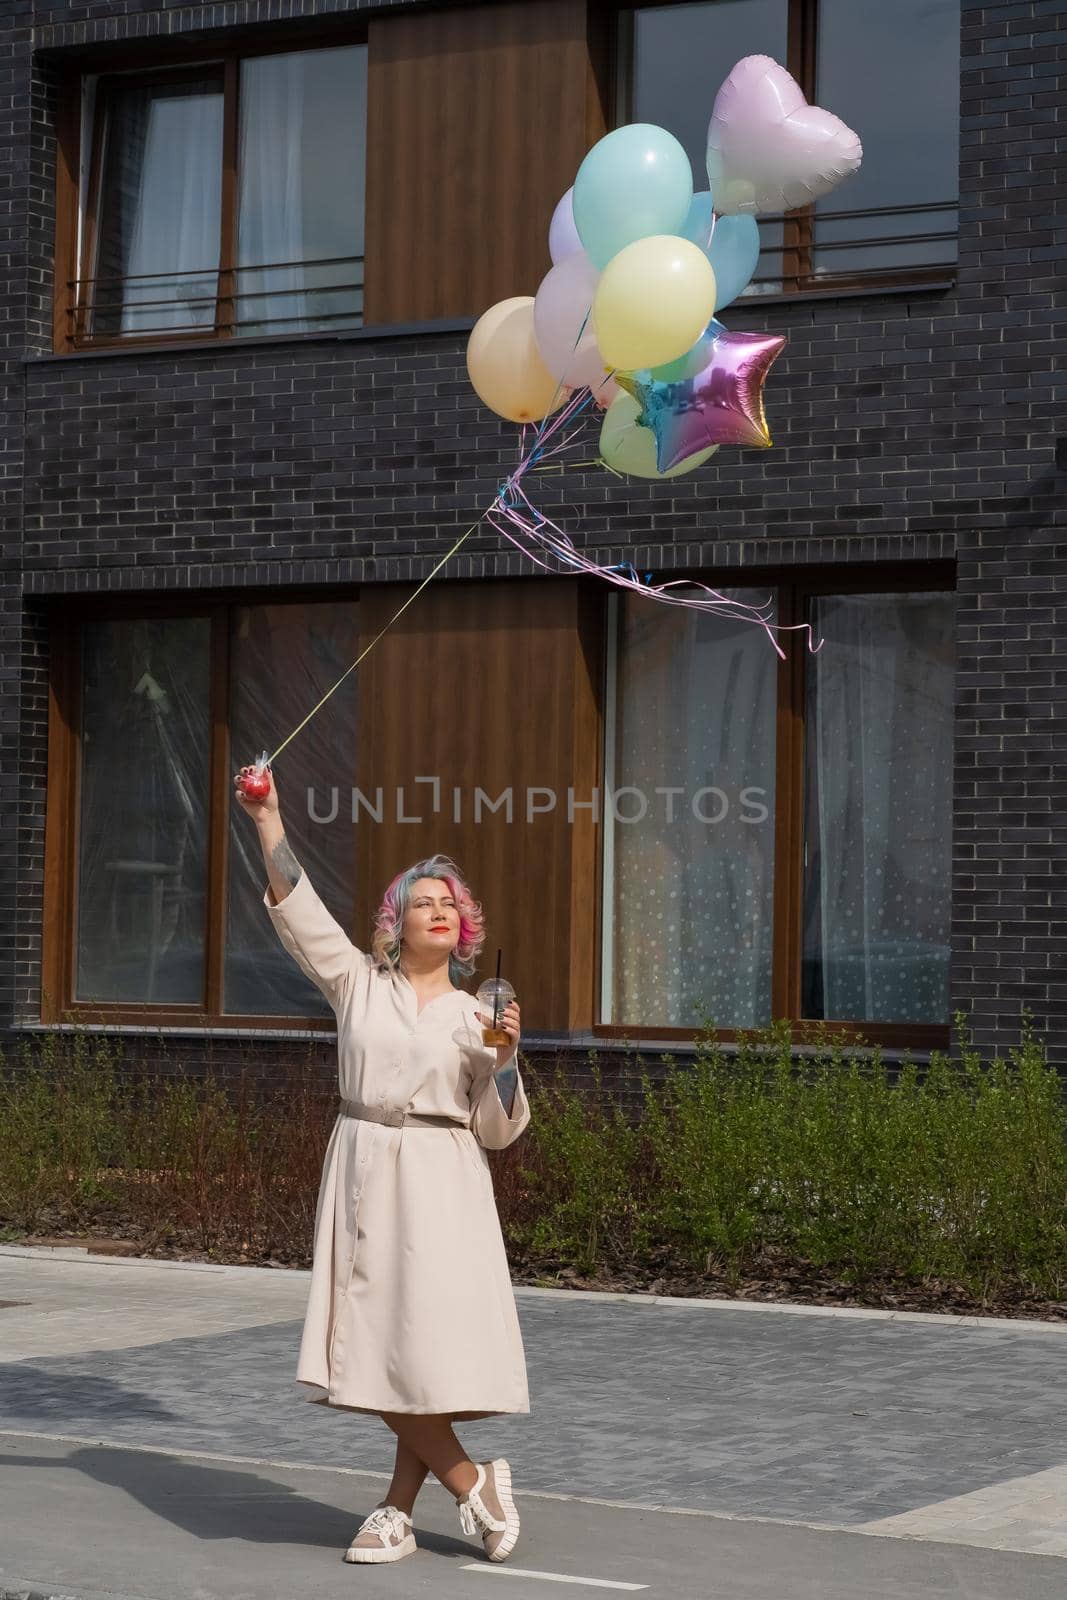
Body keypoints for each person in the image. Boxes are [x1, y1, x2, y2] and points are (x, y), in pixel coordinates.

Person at [234, 763, 530, 1566]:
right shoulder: (355, 984)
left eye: (448, 906)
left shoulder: (480, 1017)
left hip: (445, 1176)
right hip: (367, 1166)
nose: (437, 912)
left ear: (464, 930)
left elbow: (499, 1131)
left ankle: (398, 1510)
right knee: (373, 1344)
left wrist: (504, 1061)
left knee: (416, 1351)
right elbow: (299, 906)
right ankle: (470, 1482)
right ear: (393, 925)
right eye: (420, 904)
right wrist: (268, 819)